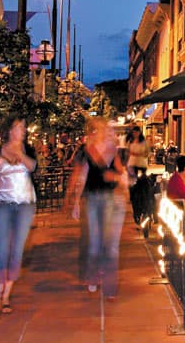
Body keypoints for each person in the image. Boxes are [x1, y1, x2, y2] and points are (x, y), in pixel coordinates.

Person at [64, 117, 127, 300]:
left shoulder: (113, 151)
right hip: (91, 199)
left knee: (109, 245)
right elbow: (80, 175)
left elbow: (120, 176)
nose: (102, 132)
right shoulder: (86, 151)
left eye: (104, 130)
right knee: (94, 242)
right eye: (100, 129)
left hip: (109, 200)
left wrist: (116, 178)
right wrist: (75, 200)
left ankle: (109, 286)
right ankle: (92, 277)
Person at [0, 115, 38, 318]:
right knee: (1, 251)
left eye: (23, 127)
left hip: (24, 205)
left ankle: (7, 295)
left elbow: (33, 167)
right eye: (18, 127)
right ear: (9, 130)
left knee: (16, 252)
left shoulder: (28, 150)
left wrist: (19, 152)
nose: (22, 131)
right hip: (1, 205)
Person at [126, 126, 150, 225]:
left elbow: (146, 153)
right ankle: (133, 200)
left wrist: (138, 153)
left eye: (137, 132)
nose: (136, 134)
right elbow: (127, 153)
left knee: (143, 184)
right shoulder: (130, 142)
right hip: (132, 165)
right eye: (134, 132)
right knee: (132, 186)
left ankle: (144, 205)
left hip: (141, 165)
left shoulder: (144, 142)